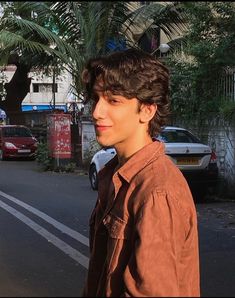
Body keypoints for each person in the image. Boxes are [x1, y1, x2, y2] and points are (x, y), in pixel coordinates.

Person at [81, 48, 200, 297]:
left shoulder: (156, 192)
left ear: (147, 110)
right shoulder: (118, 174)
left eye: (114, 100)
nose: (96, 112)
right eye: (96, 98)